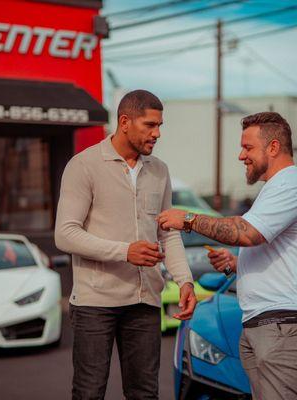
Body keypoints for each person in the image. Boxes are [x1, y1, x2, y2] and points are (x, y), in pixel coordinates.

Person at [55, 89, 196, 400]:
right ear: (124, 122)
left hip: (145, 302)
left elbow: (167, 232)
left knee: (145, 393)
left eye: (160, 125)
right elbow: (65, 234)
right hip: (95, 303)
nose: (157, 133)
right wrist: (125, 251)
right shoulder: (84, 165)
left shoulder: (159, 170)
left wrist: (185, 280)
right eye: (150, 125)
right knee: (90, 393)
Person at [157, 112, 297, 400]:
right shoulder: (275, 188)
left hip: (280, 326)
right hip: (266, 325)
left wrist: (187, 219)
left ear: (273, 147)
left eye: (248, 147)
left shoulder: (289, 185)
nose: (240, 155)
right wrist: (237, 263)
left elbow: (246, 232)